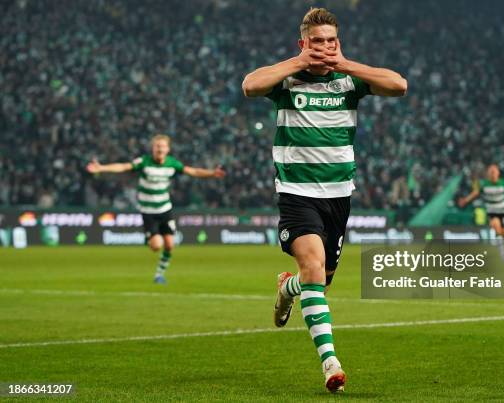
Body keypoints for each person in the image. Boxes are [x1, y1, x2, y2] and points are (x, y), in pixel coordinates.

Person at [242, 7, 407, 393]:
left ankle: (288, 289)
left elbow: (399, 85)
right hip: (297, 194)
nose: (325, 47)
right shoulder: (288, 81)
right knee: (314, 270)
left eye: (331, 41)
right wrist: (296, 62)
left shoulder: (349, 82)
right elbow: (250, 86)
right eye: (317, 41)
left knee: (320, 281)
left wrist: (347, 64)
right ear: (304, 43)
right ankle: (330, 364)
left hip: (339, 197)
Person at [86, 134, 225, 284]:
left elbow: (193, 171)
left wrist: (211, 173)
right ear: (153, 148)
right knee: (156, 246)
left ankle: (159, 275)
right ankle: (150, 238)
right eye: (157, 146)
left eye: (162, 146)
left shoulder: (172, 164)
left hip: (165, 209)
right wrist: (102, 167)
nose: (160, 149)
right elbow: (124, 166)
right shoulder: (144, 162)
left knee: (170, 244)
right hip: (148, 212)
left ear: (168, 149)